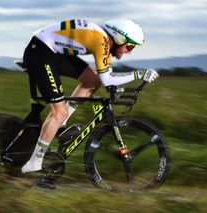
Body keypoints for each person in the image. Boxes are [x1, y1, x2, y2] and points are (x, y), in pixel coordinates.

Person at [21, 19, 159, 175]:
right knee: (59, 113)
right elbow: (107, 79)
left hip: (51, 50)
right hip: (41, 52)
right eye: (130, 46)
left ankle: (61, 123)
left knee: (92, 81)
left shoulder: (103, 38)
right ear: (119, 38)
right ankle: (35, 162)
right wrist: (139, 74)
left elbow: (102, 79)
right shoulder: (101, 41)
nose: (129, 51)